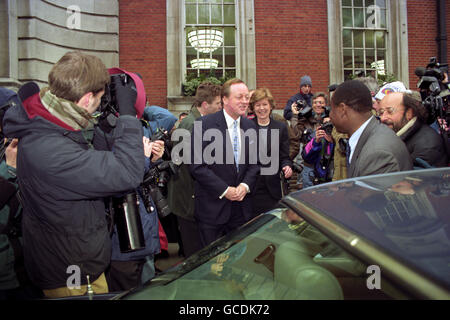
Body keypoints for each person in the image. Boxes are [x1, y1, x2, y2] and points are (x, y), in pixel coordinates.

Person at [2, 51, 146, 298]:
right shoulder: (50, 150)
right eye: (100, 99)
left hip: (74, 257)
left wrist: (105, 127)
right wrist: (127, 116)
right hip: (71, 275)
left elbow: (91, 161)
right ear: (86, 98)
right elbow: (127, 173)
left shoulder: (48, 123)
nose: (100, 105)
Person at [189, 78, 260, 247]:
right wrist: (225, 190)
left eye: (246, 97)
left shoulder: (251, 127)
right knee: (211, 263)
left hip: (241, 211)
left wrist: (245, 186)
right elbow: (197, 166)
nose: (245, 101)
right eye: (239, 97)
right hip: (211, 209)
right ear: (225, 99)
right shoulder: (203, 125)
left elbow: (255, 164)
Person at [168, 82, 222, 258]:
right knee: (194, 255)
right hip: (188, 203)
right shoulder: (193, 126)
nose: (221, 107)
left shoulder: (195, 123)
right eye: (218, 104)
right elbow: (194, 167)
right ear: (205, 105)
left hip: (188, 201)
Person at [329, 80, 413, 178]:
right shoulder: (372, 135)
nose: (330, 115)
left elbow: (365, 193)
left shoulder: (377, 153)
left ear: (342, 109)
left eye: (332, 109)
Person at [248, 88, 292, 216]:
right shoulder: (246, 127)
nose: (261, 108)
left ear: (271, 106)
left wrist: (286, 165)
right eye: (258, 105)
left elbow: (285, 156)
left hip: (272, 189)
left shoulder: (280, 127)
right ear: (253, 107)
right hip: (251, 189)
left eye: (265, 104)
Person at [379, 92, 448, 168]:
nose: (383, 118)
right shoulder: (393, 136)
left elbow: (413, 177)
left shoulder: (427, 145)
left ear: (409, 113)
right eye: (381, 112)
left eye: (390, 111)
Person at [291, 92, 329, 188]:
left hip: (326, 165)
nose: (318, 105)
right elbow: (295, 135)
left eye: (321, 102)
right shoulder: (306, 120)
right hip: (309, 166)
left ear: (326, 105)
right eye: (315, 102)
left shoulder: (332, 119)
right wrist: (295, 116)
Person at [301, 116, 335, 185]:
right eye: (326, 124)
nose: (328, 128)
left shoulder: (340, 137)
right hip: (317, 178)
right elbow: (306, 157)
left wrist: (332, 142)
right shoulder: (315, 137)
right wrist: (316, 141)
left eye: (331, 124)